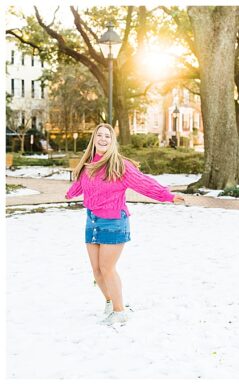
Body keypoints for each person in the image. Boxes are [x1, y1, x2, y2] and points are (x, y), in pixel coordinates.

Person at [65, 123, 185, 325]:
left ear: (113, 142)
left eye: (108, 136)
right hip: (92, 220)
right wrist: (70, 193)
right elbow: (81, 184)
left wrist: (168, 196)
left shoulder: (119, 165)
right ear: (94, 139)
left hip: (114, 222)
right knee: (96, 270)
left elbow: (144, 183)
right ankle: (111, 303)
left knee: (107, 268)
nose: (103, 139)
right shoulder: (88, 165)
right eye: (99, 135)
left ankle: (120, 312)